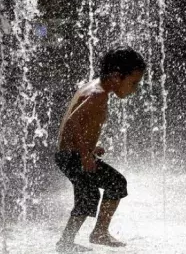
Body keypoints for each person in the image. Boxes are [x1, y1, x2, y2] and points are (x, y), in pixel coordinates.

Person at [55, 46, 146, 252]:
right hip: (72, 156)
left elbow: (79, 124)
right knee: (102, 188)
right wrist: (85, 153)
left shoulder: (97, 89)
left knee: (103, 188)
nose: (134, 89)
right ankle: (78, 239)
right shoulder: (98, 94)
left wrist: (89, 147)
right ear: (116, 76)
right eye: (133, 83)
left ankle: (81, 237)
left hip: (72, 153)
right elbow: (71, 122)